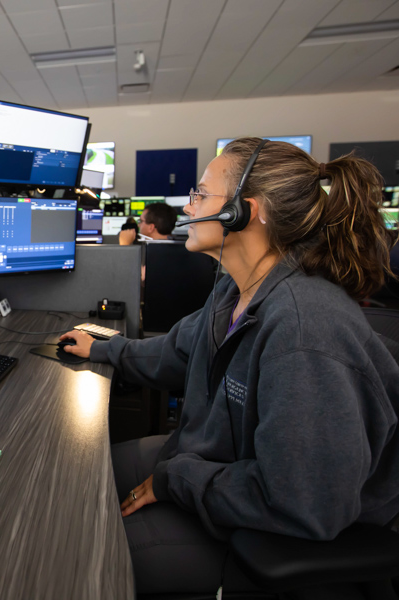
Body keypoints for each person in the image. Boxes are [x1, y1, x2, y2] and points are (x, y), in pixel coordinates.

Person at [60, 138, 399, 596]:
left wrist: (177, 479)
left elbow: (303, 501)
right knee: (83, 470)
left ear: (246, 210)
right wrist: (103, 348)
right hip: (220, 466)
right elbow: (177, 352)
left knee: (86, 556)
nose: (190, 204)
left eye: (201, 193)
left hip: (271, 528)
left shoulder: (304, 329)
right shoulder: (237, 289)